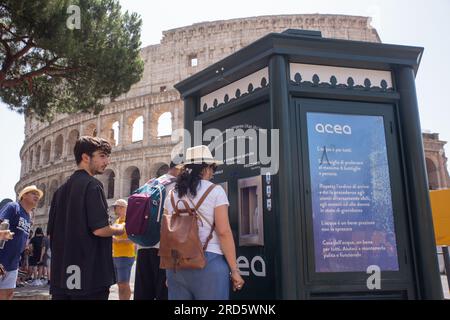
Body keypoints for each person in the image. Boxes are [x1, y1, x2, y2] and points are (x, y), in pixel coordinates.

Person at [47, 136, 125, 300]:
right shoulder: (93, 185)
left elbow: (51, 234)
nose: (107, 161)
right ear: (85, 157)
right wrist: (122, 229)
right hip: (89, 275)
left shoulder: (59, 191)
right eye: (102, 156)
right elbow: (100, 229)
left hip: (62, 276)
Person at [163, 145, 244, 300]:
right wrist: (234, 270)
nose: (213, 173)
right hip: (209, 261)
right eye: (212, 168)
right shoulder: (215, 191)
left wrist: (169, 270)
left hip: (176, 265)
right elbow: (223, 232)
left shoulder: (172, 195)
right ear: (205, 168)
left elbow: (166, 234)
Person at [134, 161, 181, 300]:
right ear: (180, 168)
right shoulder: (176, 186)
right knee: (163, 293)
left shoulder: (151, 183)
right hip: (163, 248)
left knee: (143, 293)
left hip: (143, 245)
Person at [0, 185, 43, 300]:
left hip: (13, 263)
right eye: (33, 193)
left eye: (38, 195)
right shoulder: (13, 207)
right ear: (23, 195)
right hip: (1, 259)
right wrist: (2, 234)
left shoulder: (28, 217)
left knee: (8, 294)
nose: (37, 196)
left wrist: (25, 246)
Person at [111, 199, 135, 300]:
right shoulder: (117, 220)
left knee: (123, 283)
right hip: (116, 255)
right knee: (120, 284)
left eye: (116, 207)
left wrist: (119, 241)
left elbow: (134, 238)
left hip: (125, 255)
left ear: (122, 207)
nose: (115, 209)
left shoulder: (129, 221)